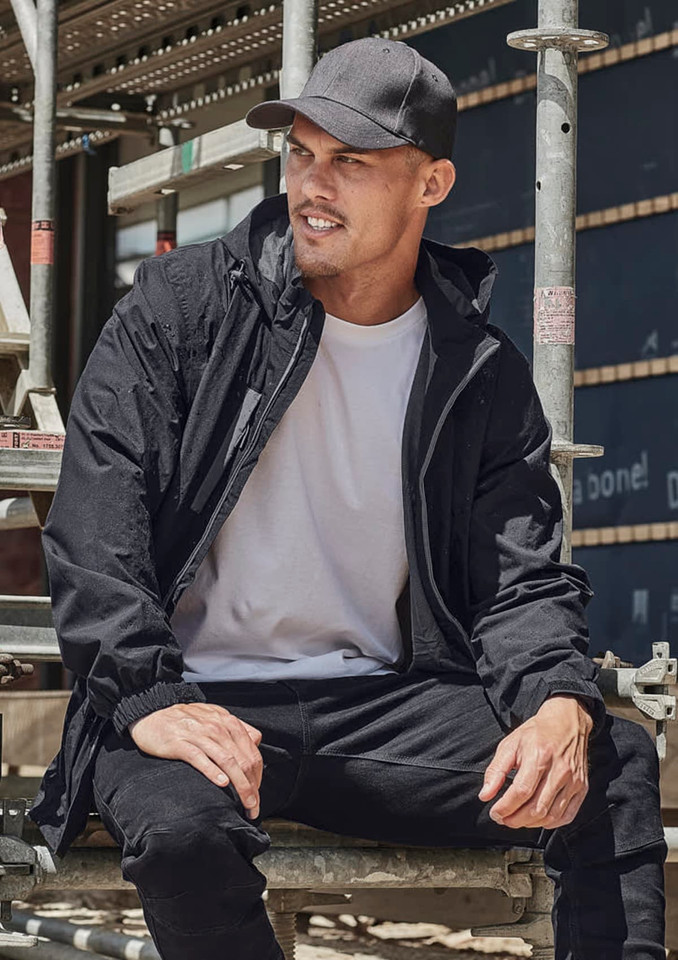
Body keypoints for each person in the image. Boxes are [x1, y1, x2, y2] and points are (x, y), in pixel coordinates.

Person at [31, 37, 665, 959]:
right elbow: (97, 526)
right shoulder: (184, 307)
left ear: (431, 185)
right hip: (192, 698)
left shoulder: (477, 370)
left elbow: (518, 581)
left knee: (611, 768)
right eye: (300, 153)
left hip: (378, 704)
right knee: (182, 833)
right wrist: (145, 696)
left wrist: (558, 700)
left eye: (351, 162)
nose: (311, 185)